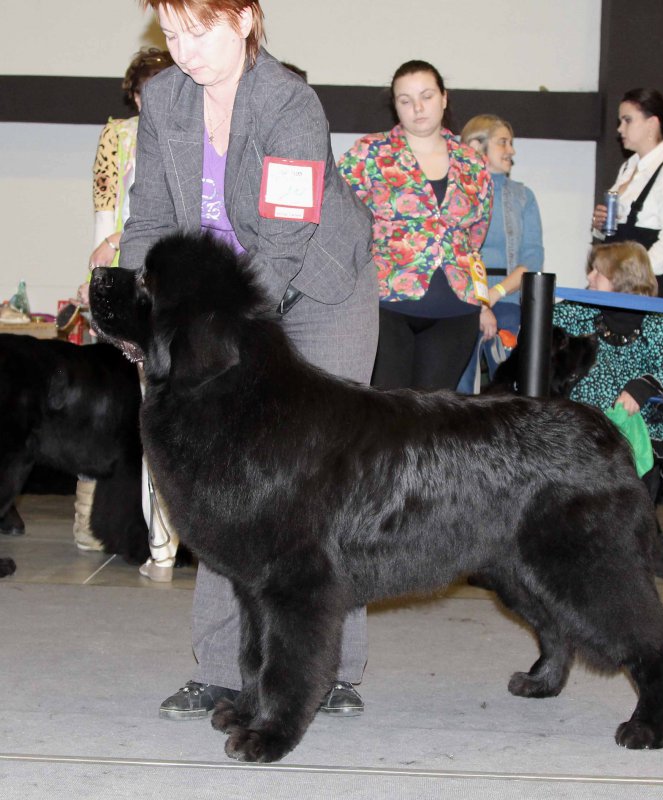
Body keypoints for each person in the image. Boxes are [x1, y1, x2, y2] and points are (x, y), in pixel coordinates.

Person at [117, 0, 378, 719]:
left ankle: (333, 669)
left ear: (244, 19)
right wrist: (136, 304)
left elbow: (285, 242)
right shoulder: (165, 97)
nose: (184, 51)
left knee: (325, 487)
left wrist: (218, 336)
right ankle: (224, 670)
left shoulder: (289, 102)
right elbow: (147, 219)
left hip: (321, 291)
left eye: (197, 31)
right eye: (170, 35)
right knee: (219, 480)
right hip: (224, 306)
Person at [73, 48, 174, 559]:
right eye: (145, 89)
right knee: (108, 405)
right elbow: (104, 208)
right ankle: (88, 523)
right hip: (120, 278)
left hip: (162, 282)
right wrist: (97, 278)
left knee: (158, 407)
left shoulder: (188, 136)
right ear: (134, 94)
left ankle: (162, 542)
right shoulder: (117, 136)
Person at [337, 60, 492, 391]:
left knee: (433, 423)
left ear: (444, 98)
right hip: (384, 305)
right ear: (395, 106)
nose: (417, 108)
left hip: (456, 310)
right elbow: (338, 214)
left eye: (426, 96)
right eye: (405, 100)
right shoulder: (369, 153)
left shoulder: (473, 162)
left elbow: (476, 231)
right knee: (388, 419)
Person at [553, 241, 663, 496]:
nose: (589, 276)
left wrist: (641, 388)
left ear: (623, 278)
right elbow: (541, 334)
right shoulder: (576, 311)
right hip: (578, 430)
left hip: (639, 430)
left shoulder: (660, 322)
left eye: (598, 272)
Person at [455, 113, 544, 393]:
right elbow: (455, 253)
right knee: (459, 390)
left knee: (512, 388)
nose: (512, 150)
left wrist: (493, 296)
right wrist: (480, 304)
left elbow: (532, 257)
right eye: (503, 142)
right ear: (476, 146)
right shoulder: (457, 194)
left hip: (509, 300)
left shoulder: (523, 196)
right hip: (463, 301)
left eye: (511, 143)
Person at [592, 89, 663, 298]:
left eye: (627, 120)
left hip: (639, 292)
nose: (620, 128)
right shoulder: (629, 166)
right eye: (621, 121)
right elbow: (613, 233)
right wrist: (600, 226)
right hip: (612, 283)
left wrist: (635, 278)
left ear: (652, 124)